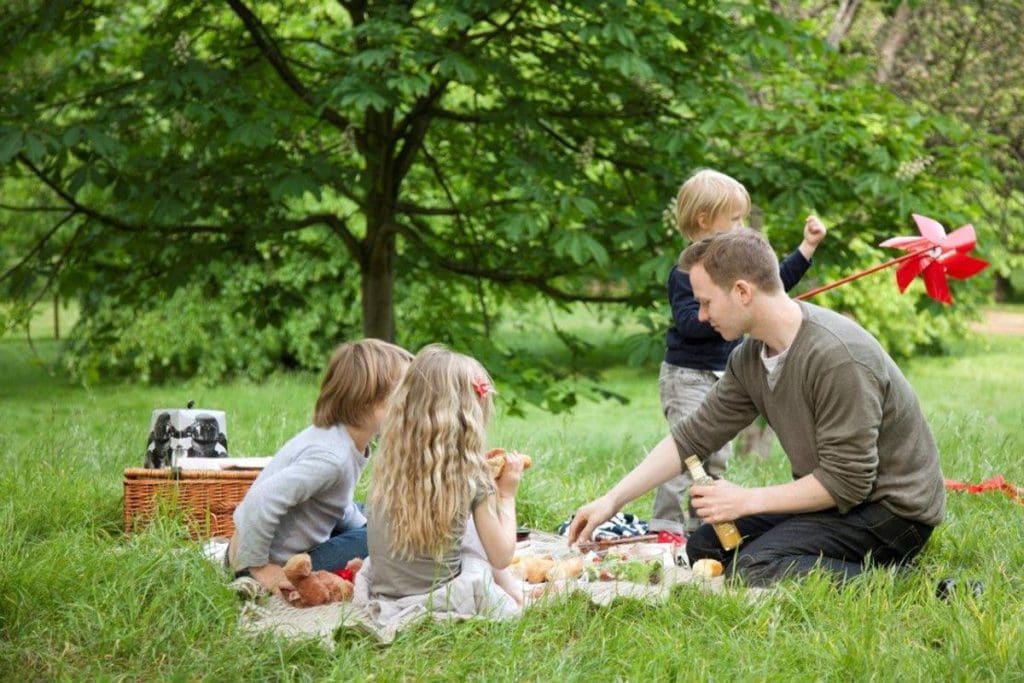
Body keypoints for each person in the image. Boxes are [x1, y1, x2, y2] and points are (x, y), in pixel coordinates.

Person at [569, 230, 945, 586]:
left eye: (705, 302)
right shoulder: (750, 358)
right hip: (836, 502)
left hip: (890, 515)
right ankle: (814, 558)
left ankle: (906, 582)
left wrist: (746, 500)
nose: (700, 316)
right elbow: (692, 437)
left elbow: (848, 482)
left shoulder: (838, 357)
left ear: (742, 291)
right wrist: (612, 500)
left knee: (752, 565)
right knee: (706, 546)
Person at [652, 169, 828, 535]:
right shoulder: (686, 272)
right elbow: (687, 322)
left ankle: (706, 525)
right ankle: (665, 526)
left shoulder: (732, 269)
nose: (742, 225)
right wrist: (725, 313)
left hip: (723, 376)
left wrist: (806, 249)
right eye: (734, 219)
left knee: (716, 458)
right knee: (686, 453)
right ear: (705, 219)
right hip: (688, 374)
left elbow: (771, 285)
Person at [228, 339, 413, 593]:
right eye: (403, 397)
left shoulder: (343, 440)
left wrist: (363, 523)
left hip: (286, 542)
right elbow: (259, 500)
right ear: (369, 401)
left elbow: (334, 502)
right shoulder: (331, 458)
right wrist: (259, 568)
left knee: (377, 515)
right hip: (273, 559)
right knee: (385, 537)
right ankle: (254, 572)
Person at [362, 345, 526, 608]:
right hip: (443, 598)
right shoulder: (471, 475)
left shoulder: (390, 464)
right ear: (469, 417)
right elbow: (501, 555)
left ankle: (512, 589)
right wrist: (506, 494)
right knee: (476, 549)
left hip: (387, 593)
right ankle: (514, 592)